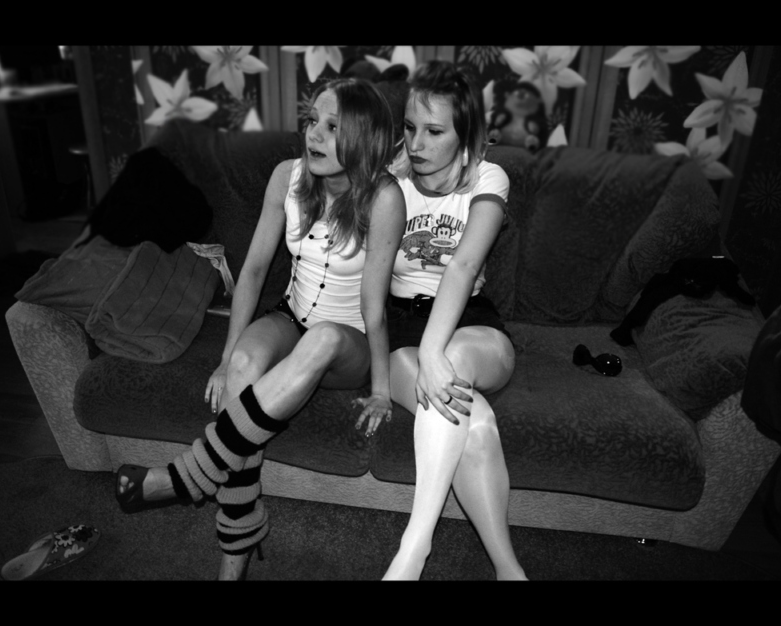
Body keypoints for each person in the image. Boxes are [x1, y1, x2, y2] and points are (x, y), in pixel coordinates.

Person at [115, 78, 406, 581]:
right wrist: (226, 359)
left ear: (363, 137)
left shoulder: (384, 198)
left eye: (332, 127)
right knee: (245, 366)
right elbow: (251, 271)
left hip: (347, 342)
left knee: (324, 337)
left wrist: (381, 389)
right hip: (291, 317)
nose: (314, 134)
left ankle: (181, 479)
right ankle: (235, 562)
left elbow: (374, 308)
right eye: (312, 121)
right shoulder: (286, 178)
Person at [379, 60, 528, 580]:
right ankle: (510, 572)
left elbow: (464, 266)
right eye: (410, 127)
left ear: (465, 133)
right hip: (402, 325)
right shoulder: (389, 182)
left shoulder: (488, 177)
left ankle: (412, 551)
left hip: (471, 324)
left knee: (454, 362)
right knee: (476, 422)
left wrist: (433, 352)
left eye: (435, 131)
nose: (417, 143)